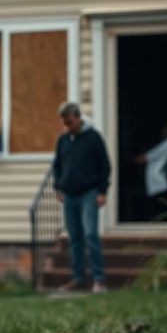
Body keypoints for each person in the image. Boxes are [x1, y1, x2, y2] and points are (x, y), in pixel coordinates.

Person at [52, 102, 111, 293]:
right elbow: (57, 166)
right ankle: (78, 278)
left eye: (69, 122)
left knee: (90, 234)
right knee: (74, 238)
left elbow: (105, 166)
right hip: (69, 195)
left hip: (89, 193)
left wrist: (102, 191)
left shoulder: (93, 138)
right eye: (64, 123)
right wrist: (58, 187)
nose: (67, 126)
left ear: (77, 118)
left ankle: (99, 280)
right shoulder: (63, 140)